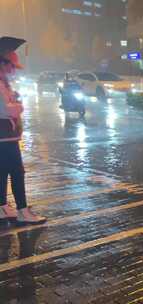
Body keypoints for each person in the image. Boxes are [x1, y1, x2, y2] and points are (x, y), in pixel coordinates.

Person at [0, 37, 46, 225]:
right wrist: (18, 104)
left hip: (4, 136)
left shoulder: (4, 82)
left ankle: (3, 207)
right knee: (17, 172)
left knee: (2, 171)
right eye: (11, 66)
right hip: (5, 137)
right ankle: (23, 210)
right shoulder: (0, 84)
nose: (13, 70)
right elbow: (6, 109)